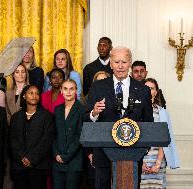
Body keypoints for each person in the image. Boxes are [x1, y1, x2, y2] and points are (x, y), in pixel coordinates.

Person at [86, 46, 154, 189]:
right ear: (111, 64)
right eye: (116, 62)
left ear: (130, 63)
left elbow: (148, 121)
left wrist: (144, 149)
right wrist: (94, 113)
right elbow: (86, 118)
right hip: (103, 151)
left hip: (133, 152)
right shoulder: (98, 87)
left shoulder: (143, 90)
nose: (120, 66)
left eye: (124, 62)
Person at [10, 84, 54, 189]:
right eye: (31, 93)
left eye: (37, 93)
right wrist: (22, 157)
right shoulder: (16, 117)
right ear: (24, 96)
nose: (34, 96)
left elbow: (47, 141)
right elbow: (12, 140)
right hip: (19, 166)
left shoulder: (47, 116)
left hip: (39, 166)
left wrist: (31, 158)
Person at [141, 78, 180, 189]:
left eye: (151, 88)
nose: (148, 91)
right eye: (145, 88)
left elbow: (165, 139)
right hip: (140, 158)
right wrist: (140, 163)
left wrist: (158, 163)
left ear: (156, 92)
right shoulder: (135, 111)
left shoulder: (162, 112)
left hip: (158, 158)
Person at [52, 79, 85, 189]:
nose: (68, 92)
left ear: (76, 90)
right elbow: (53, 134)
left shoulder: (82, 109)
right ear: (61, 90)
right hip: (57, 162)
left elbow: (80, 136)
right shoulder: (57, 110)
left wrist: (66, 156)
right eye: (65, 89)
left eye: (72, 89)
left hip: (74, 161)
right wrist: (56, 154)